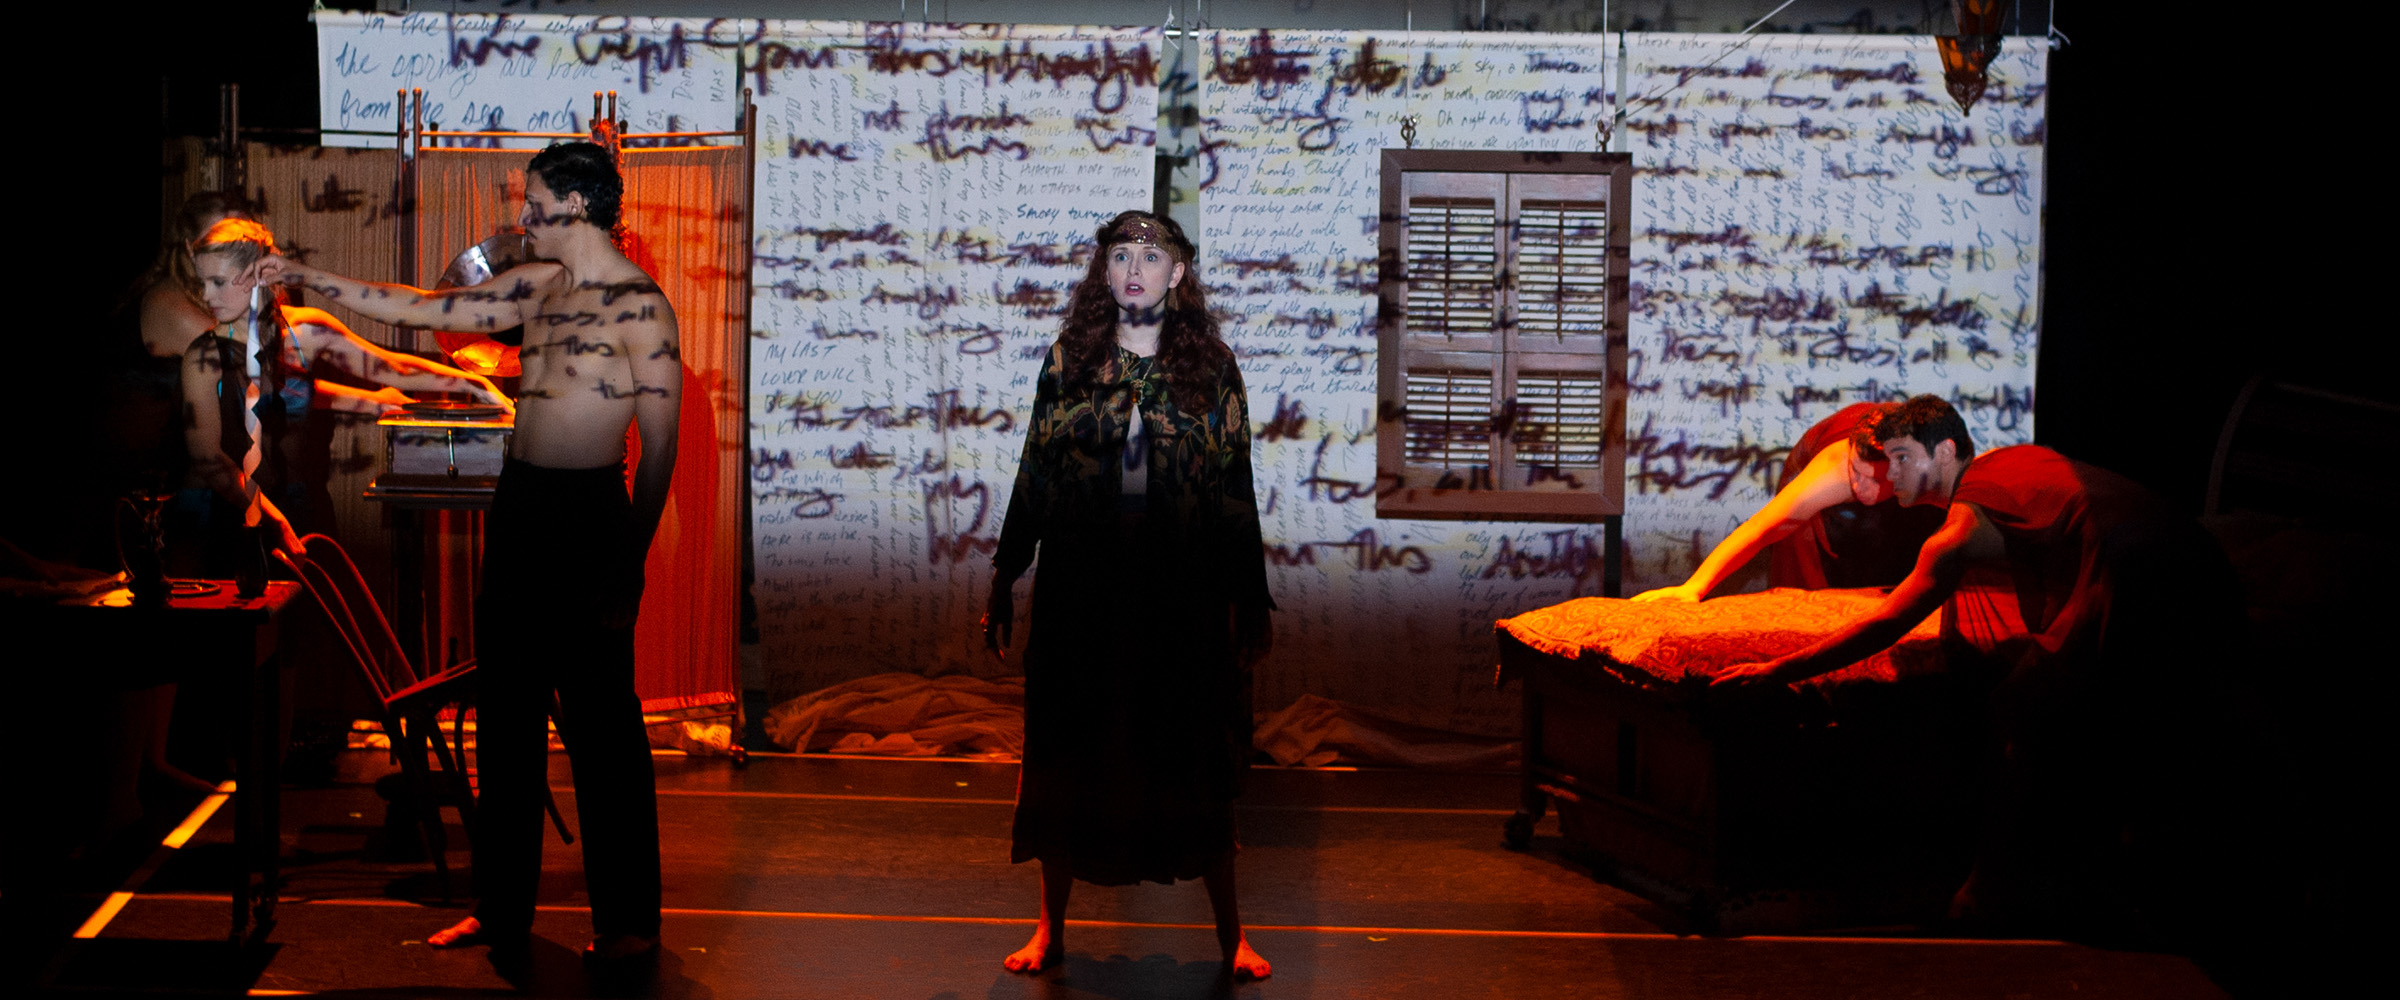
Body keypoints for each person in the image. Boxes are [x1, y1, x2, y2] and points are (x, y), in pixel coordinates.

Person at [258, 141, 680, 966]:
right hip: (522, 509)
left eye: (535, 203)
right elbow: (425, 310)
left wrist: (626, 563)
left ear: (578, 207)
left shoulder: (641, 308)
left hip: (591, 520)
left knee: (603, 731)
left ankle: (629, 923)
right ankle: (501, 908)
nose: (522, 217)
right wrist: (309, 277)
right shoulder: (538, 284)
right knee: (507, 722)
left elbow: (660, 448)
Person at [1710, 394, 2241, 921]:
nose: (1891, 474)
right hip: (2187, 548)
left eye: (1902, 457)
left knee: (2021, 708)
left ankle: (1991, 886)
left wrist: (1776, 670)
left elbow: (1885, 624)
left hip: (2140, 568)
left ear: (1945, 451)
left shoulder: (1960, 531)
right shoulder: (2010, 462)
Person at [983, 211, 1275, 980]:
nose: (1135, 269)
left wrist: (1251, 598)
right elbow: (1035, 471)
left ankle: (1232, 938)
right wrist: (1006, 574)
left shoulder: (1211, 367)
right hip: (1082, 588)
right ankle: (1049, 929)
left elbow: (1235, 488)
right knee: (1066, 752)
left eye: (1151, 256)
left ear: (1177, 273)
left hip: (1181, 593)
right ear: (1104, 272)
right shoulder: (1071, 361)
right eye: (1121, 256)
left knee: (1194, 758)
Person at [177, 218, 511, 564]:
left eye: (218, 282)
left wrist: (474, 383)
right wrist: (274, 521)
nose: (206, 296)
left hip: (297, 501)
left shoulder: (306, 332)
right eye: (203, 283)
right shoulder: (203, 357)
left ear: (258, 275)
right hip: (221, 511)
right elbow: (207, 457)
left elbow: (391, 368)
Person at [1632, 401, 1947, 602]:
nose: (1859, 486)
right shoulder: (1834, 470)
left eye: (1875, 480)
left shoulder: (1936, 473)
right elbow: (1760, 528)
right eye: (1856, 472)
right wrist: (1694, 587)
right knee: (1805, 580)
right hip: (1813, 464)